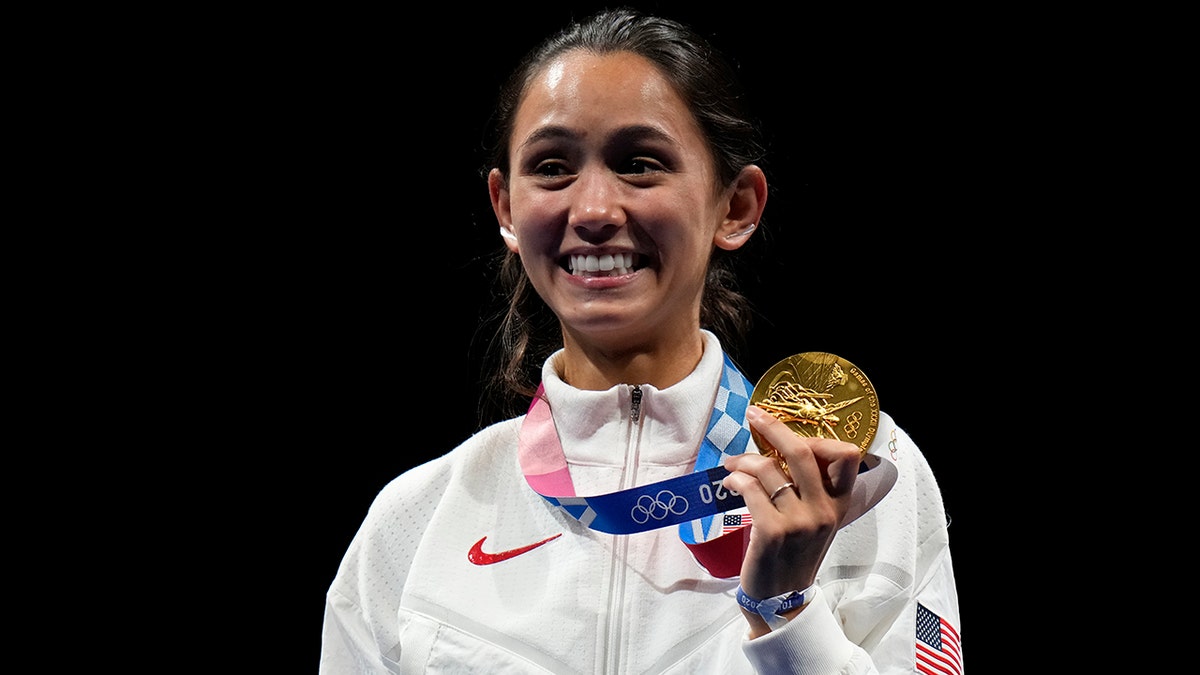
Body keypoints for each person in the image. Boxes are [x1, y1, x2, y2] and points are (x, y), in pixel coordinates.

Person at [320, 7, 962, 673]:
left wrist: (787, 611)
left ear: (735, 206)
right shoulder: (418, 522)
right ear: (506, 208)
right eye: (551, 167)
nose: (594, 209)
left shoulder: (856, 472)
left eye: (640, 164)